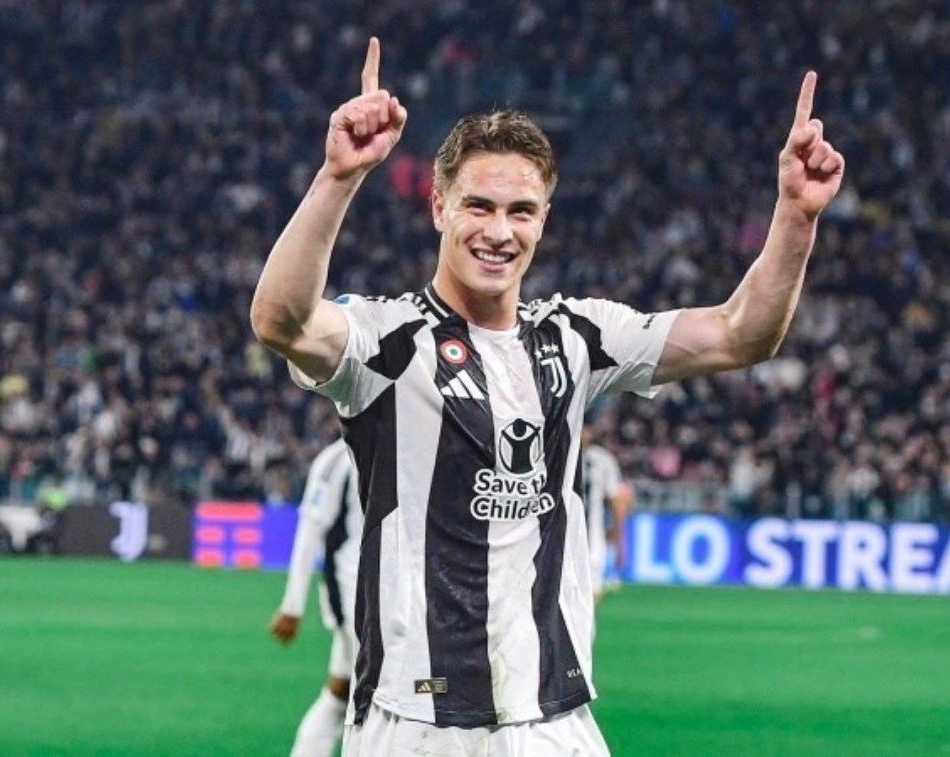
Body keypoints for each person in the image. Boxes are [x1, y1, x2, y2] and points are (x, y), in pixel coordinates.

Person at [250, 37, 843, 756]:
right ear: (438, 207)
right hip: (416, 724)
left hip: (555, 723)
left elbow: (740, 333)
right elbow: (280, 321)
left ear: (544, 219)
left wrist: (796, 217)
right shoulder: (389, 340)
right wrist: (338, 177)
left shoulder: (577, 336)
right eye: (479, 206)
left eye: (521, 211)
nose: (499, 232)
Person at [269, 437, 363, 757]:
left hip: (391, 597)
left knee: (340, 693)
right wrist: (292, 607)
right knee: (377, 694)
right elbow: (310, 530)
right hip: (352, 595)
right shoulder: (337, 459)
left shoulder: (402, 448)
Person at [580, 421, 633, 604]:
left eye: (585, 429)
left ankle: (588, 622)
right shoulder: (555, 453)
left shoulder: (602, 460)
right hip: (558, 536)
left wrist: (620, 543)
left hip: (592, 535)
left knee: (592, 590)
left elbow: (618, 501)